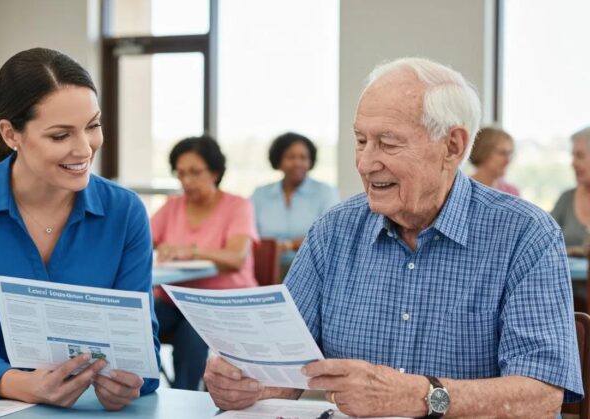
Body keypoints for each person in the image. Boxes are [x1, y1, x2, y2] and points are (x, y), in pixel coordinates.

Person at [203, 57, 582, 418]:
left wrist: (417, 396)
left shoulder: (525, 234)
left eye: (388, 143)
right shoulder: (332, 231)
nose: (366, 163)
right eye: (361, 140)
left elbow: (542, 396)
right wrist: (245, 385)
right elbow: (283, 372)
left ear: (452, 146)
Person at [0, 47, 159, 410]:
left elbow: (144, 354)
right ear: (11, 133)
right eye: (60, 136)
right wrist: (21, 385)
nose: (84, 149)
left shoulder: (125, 212)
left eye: (93, 126)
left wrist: (130, 383)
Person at [152, 135, 258, 390]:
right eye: (181, 174)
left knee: (192, 333)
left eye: (195, 173)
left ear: (215, 172)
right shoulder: (173, 206)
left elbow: (235, 258)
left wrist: (191, 250)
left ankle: (183, 402)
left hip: (221, 302)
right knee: (140, 318)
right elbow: (139, 241)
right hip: (174, 300)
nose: (186, 181)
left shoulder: (237, 206)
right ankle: (138, 393)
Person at [251, 132, 339, 273]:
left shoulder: (325, 193)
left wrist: (287, 245)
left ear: (310, 162)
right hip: (264, 269)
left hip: (311, 269)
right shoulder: (260, 195)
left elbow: (329, 235)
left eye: (303, 157)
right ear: (279, 161)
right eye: (290, 157)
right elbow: (250, 235)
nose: (297, 163)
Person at [552, 126, 590, 255]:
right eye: (572, 156)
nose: (573, 163)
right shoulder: (566, 199)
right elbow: (546, 244)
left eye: (580, 156)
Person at [469, 126, 520, 196]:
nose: (508, 160)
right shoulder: (462, 188)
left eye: (510, 153)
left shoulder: (512, 192)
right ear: (482, 152)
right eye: (502, 153)